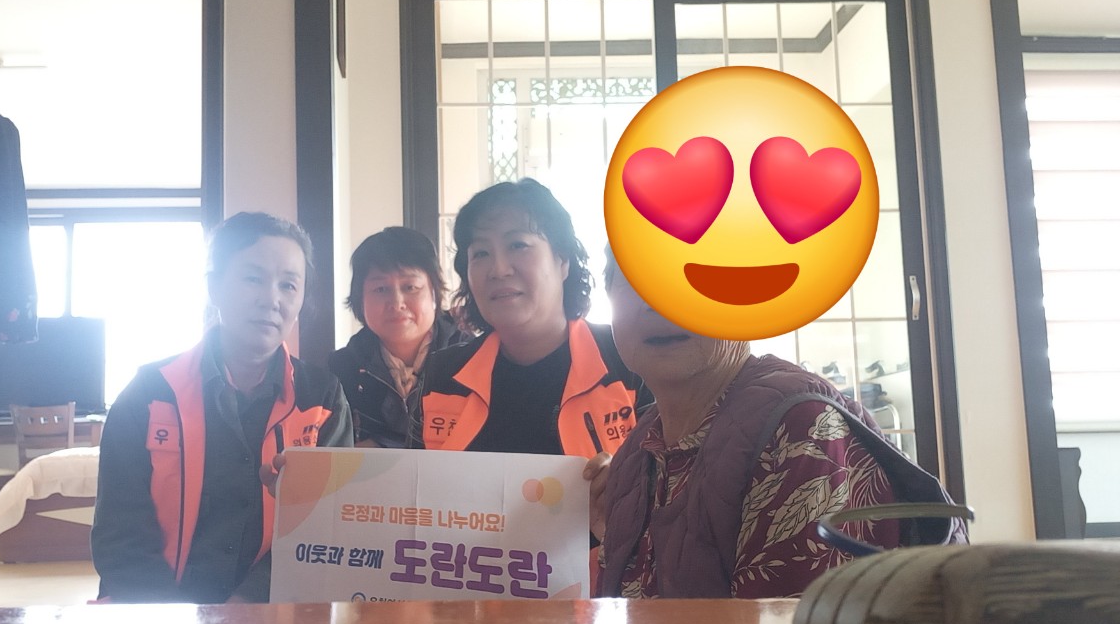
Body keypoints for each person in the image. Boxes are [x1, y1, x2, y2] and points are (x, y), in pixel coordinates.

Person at [595, 246, 962, 599]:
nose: (657, 300)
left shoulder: (801, 429)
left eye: (690, 272)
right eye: (637, 275)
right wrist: (603, 529)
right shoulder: (638, 448)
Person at [92, 212, 353, 604]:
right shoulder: (149, 394)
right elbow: (119, 535)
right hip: (154, 615)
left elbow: (325, 528)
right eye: (253, 278)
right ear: (214, 287)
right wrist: (179, 623)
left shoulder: (321, 399)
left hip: (275, 615)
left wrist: (246, 611)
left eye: (288, 285)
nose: (271, 299)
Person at [412, 179, 646, 459]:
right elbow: (412, 481)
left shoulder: (630, 361)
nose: (499, 269)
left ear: (562, 261)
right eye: (481, 253)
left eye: (518, 245)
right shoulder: (441, 375)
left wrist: (623, 479)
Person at [329, 227, 463, 448]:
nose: (397, 302)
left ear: (434, 294)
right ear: (360, 299)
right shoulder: (339, 371)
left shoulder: (473, 361)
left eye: (410, 287)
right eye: (381, 289)